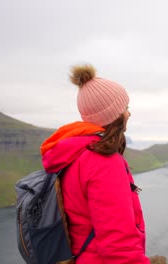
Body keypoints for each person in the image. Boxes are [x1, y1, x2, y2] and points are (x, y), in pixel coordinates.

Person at [40, 64, 149, 264]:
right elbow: (118, 245)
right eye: (125, 108)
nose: (128, 113)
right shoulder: (103, 161)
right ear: (113, 114)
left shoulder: (74, 153)